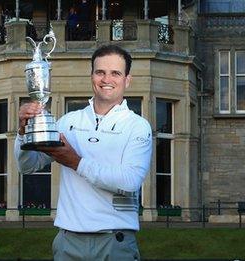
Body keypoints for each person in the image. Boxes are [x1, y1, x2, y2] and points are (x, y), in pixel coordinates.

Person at [15, 45, 152, 260]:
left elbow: (130, 181)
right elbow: (27, 166)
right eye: (100, 72)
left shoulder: (137, 126)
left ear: (127, 80)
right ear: (92, 77)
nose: (107, 79)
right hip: (68, 242)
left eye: (115, 73)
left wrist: (76, 162)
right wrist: (24, 133)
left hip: (115, 243)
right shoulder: (68, 121)